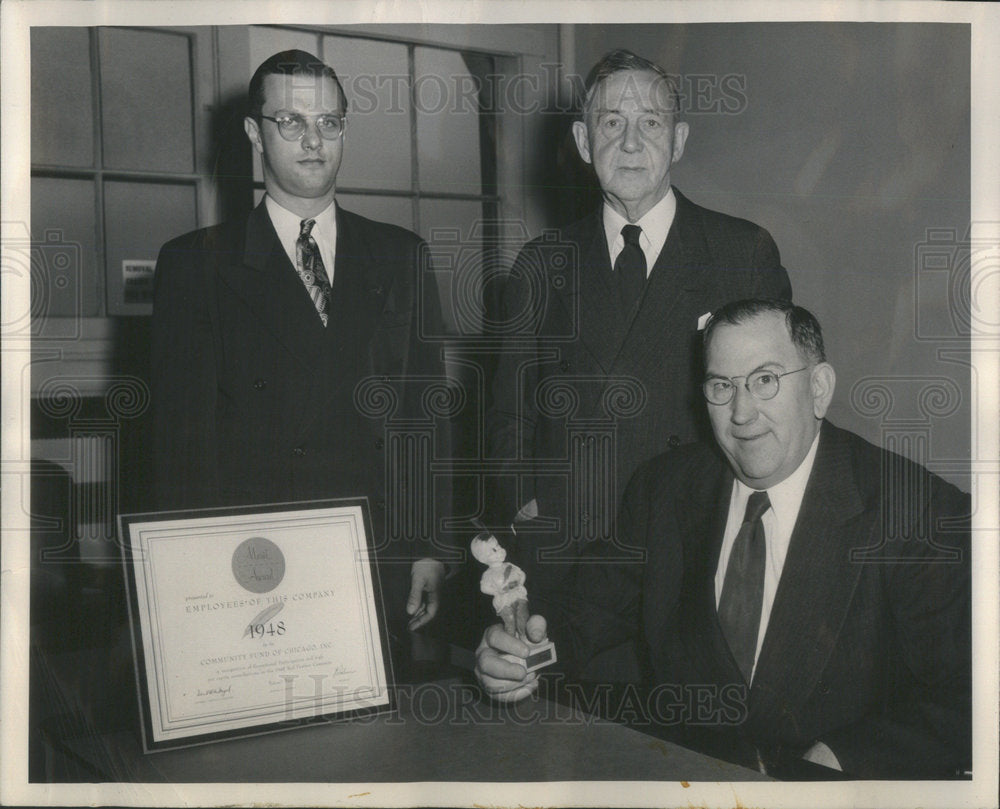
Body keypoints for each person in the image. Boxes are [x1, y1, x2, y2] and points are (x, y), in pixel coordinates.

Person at [476, 299, 971, 779]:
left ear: (819, 388)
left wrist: (841, 759)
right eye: (721, 386)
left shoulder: (917, 511)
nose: (741, 413)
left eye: (765, 380)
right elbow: (581, 613)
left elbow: (966, 695)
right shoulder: (663, 489)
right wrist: (513, 654)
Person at [151, 50, 451, 630]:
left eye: (328, 122)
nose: (313, 140)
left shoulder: (400, 255)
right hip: (255, 561)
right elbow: (181, 447)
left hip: (378, 552)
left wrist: (428, 548)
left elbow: (424, 417)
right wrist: (194, 576)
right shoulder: (196, 264)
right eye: (290, 122)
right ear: (254, 134)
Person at [485, 50, 791, 601]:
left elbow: (775, 414)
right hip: (567, 559)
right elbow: (510, 415)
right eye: (611, 123)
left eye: (650, 123)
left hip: (693, 555)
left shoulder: (741, 254)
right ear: (584, 142)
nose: (630, 143)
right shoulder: (541, 262)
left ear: (678, 141)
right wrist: (528, 507)